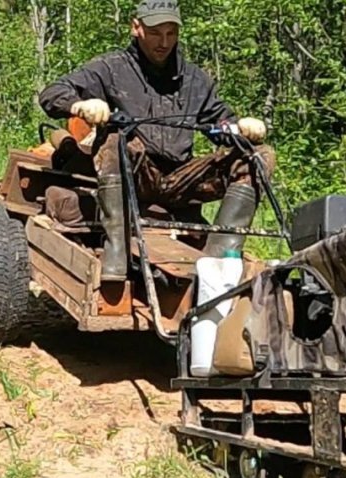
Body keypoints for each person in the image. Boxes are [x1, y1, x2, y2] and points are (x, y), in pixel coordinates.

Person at [38, 0, 275, 283]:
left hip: (181, 180)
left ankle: (220, 258)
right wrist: (80, 106)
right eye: (155, 33)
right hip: (134, 176)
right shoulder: (111, 68)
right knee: (114, 137)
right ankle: (117, 252)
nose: (164, 42)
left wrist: (241, 128)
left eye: (171, 33)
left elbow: (220, 126)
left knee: (259, 155)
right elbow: (52, 93)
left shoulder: (196, 80)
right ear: (136, 28)